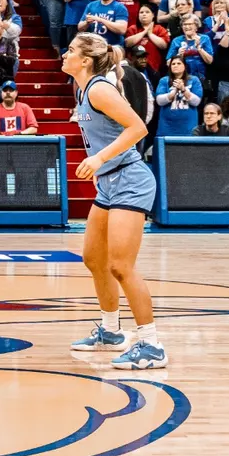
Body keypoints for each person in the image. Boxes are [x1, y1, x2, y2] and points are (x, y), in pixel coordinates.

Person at [62, 34, 166, 369]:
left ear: (86, 61)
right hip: (109, 182)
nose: (65, 54)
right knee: (94, 259)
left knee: (121, 265)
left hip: (130, 180)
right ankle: (110, 332)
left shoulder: (98, 89)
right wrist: (100, 164)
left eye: (71, 51)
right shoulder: (82, 88)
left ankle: (151, 345)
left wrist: (98, 158)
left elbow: (137, 128)